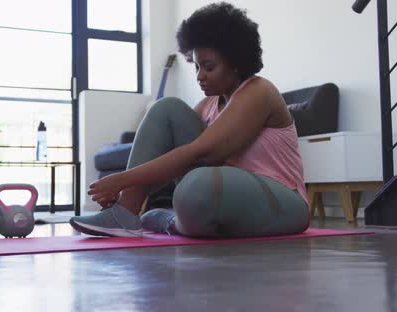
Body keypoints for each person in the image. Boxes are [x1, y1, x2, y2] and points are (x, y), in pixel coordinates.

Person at [70, 2, 310, 238]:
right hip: (225, 195)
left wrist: (122, 179)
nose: (199, 76)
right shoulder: (208, 104)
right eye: (196, 67)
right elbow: (174, 157)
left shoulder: (259, 91)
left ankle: (172, 223)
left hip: (283, 203)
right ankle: (124, 214)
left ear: (236, 63)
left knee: (198, 186)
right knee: (166, 108)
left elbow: (200, 154)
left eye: (208, 67)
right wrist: (125, 192)